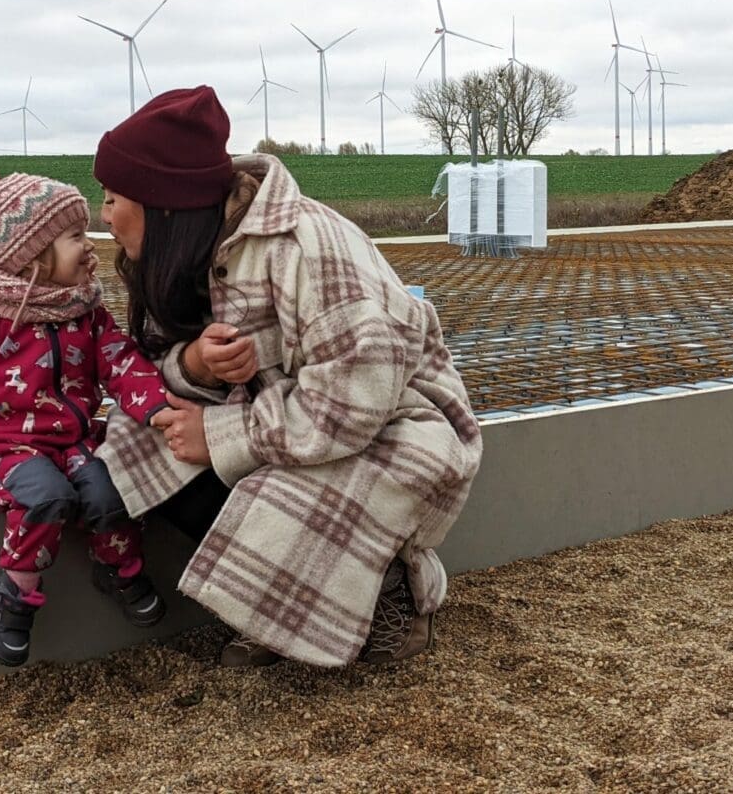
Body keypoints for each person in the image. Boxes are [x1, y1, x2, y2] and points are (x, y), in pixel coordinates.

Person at [91, 86, 483, 668]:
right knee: (148, 438)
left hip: (396, 430)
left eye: (113, 196)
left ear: (164, 204)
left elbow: (353, 403)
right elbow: (153, 367)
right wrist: (195, 365)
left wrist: (224, 437)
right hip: (287, 420)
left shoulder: (308, 248)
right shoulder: (189, 252)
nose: (104, 213)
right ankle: (282, 611)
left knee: (271, 490)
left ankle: (395, 593)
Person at [0, 158, 171, 667]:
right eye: (74, 235)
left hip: (72, 441)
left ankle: (119, 567)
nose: (90, 242)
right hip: (4, 446)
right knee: (45, 500)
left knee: (108, 491)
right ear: (29, 257)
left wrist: (156, 405)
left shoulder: (86, 313)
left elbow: (122, 361)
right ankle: (14, 591)